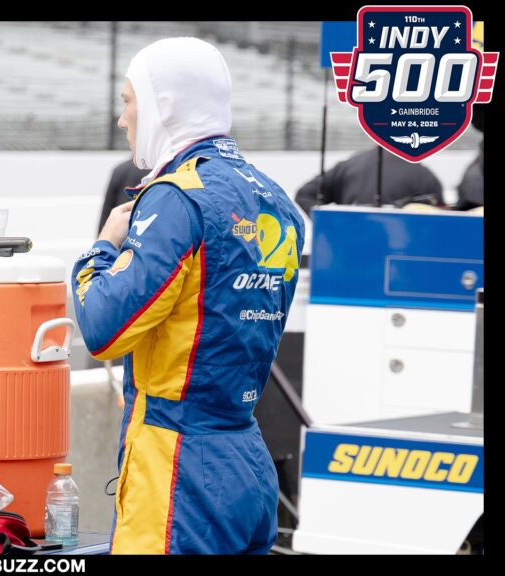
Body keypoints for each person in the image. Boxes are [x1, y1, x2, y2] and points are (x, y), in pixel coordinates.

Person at [71, 37, 303, 554]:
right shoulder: (276, 199)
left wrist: (101, 250)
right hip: (248, 458)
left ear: (164, 107)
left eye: (128, 102)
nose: (122, 119)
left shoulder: (178, 197)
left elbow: (102, 329)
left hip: (177, 469)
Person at [294, 146, 444, 214]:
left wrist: (329, 223)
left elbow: (304, 194)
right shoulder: (423, 174)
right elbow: (440, 217)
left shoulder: (348, 165)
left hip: (348, 247)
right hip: (401, 254)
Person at [99, 160, 150, 232]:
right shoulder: (161, 169)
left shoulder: (120, 169)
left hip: (120, 232)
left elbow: (107, 212)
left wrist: (102, 238)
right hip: (146, 230)